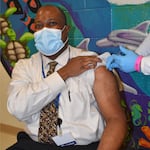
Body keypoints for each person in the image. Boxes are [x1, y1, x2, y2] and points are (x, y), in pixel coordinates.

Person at [7, 5, 127, 150]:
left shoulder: (91, 64)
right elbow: (17, 109)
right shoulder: (24, 67)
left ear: (66, 30)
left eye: (52, 23)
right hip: (36, 144)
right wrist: (64, 73)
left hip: (82, 146)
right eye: (39, 26)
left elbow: (116, 120)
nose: (45, 30)